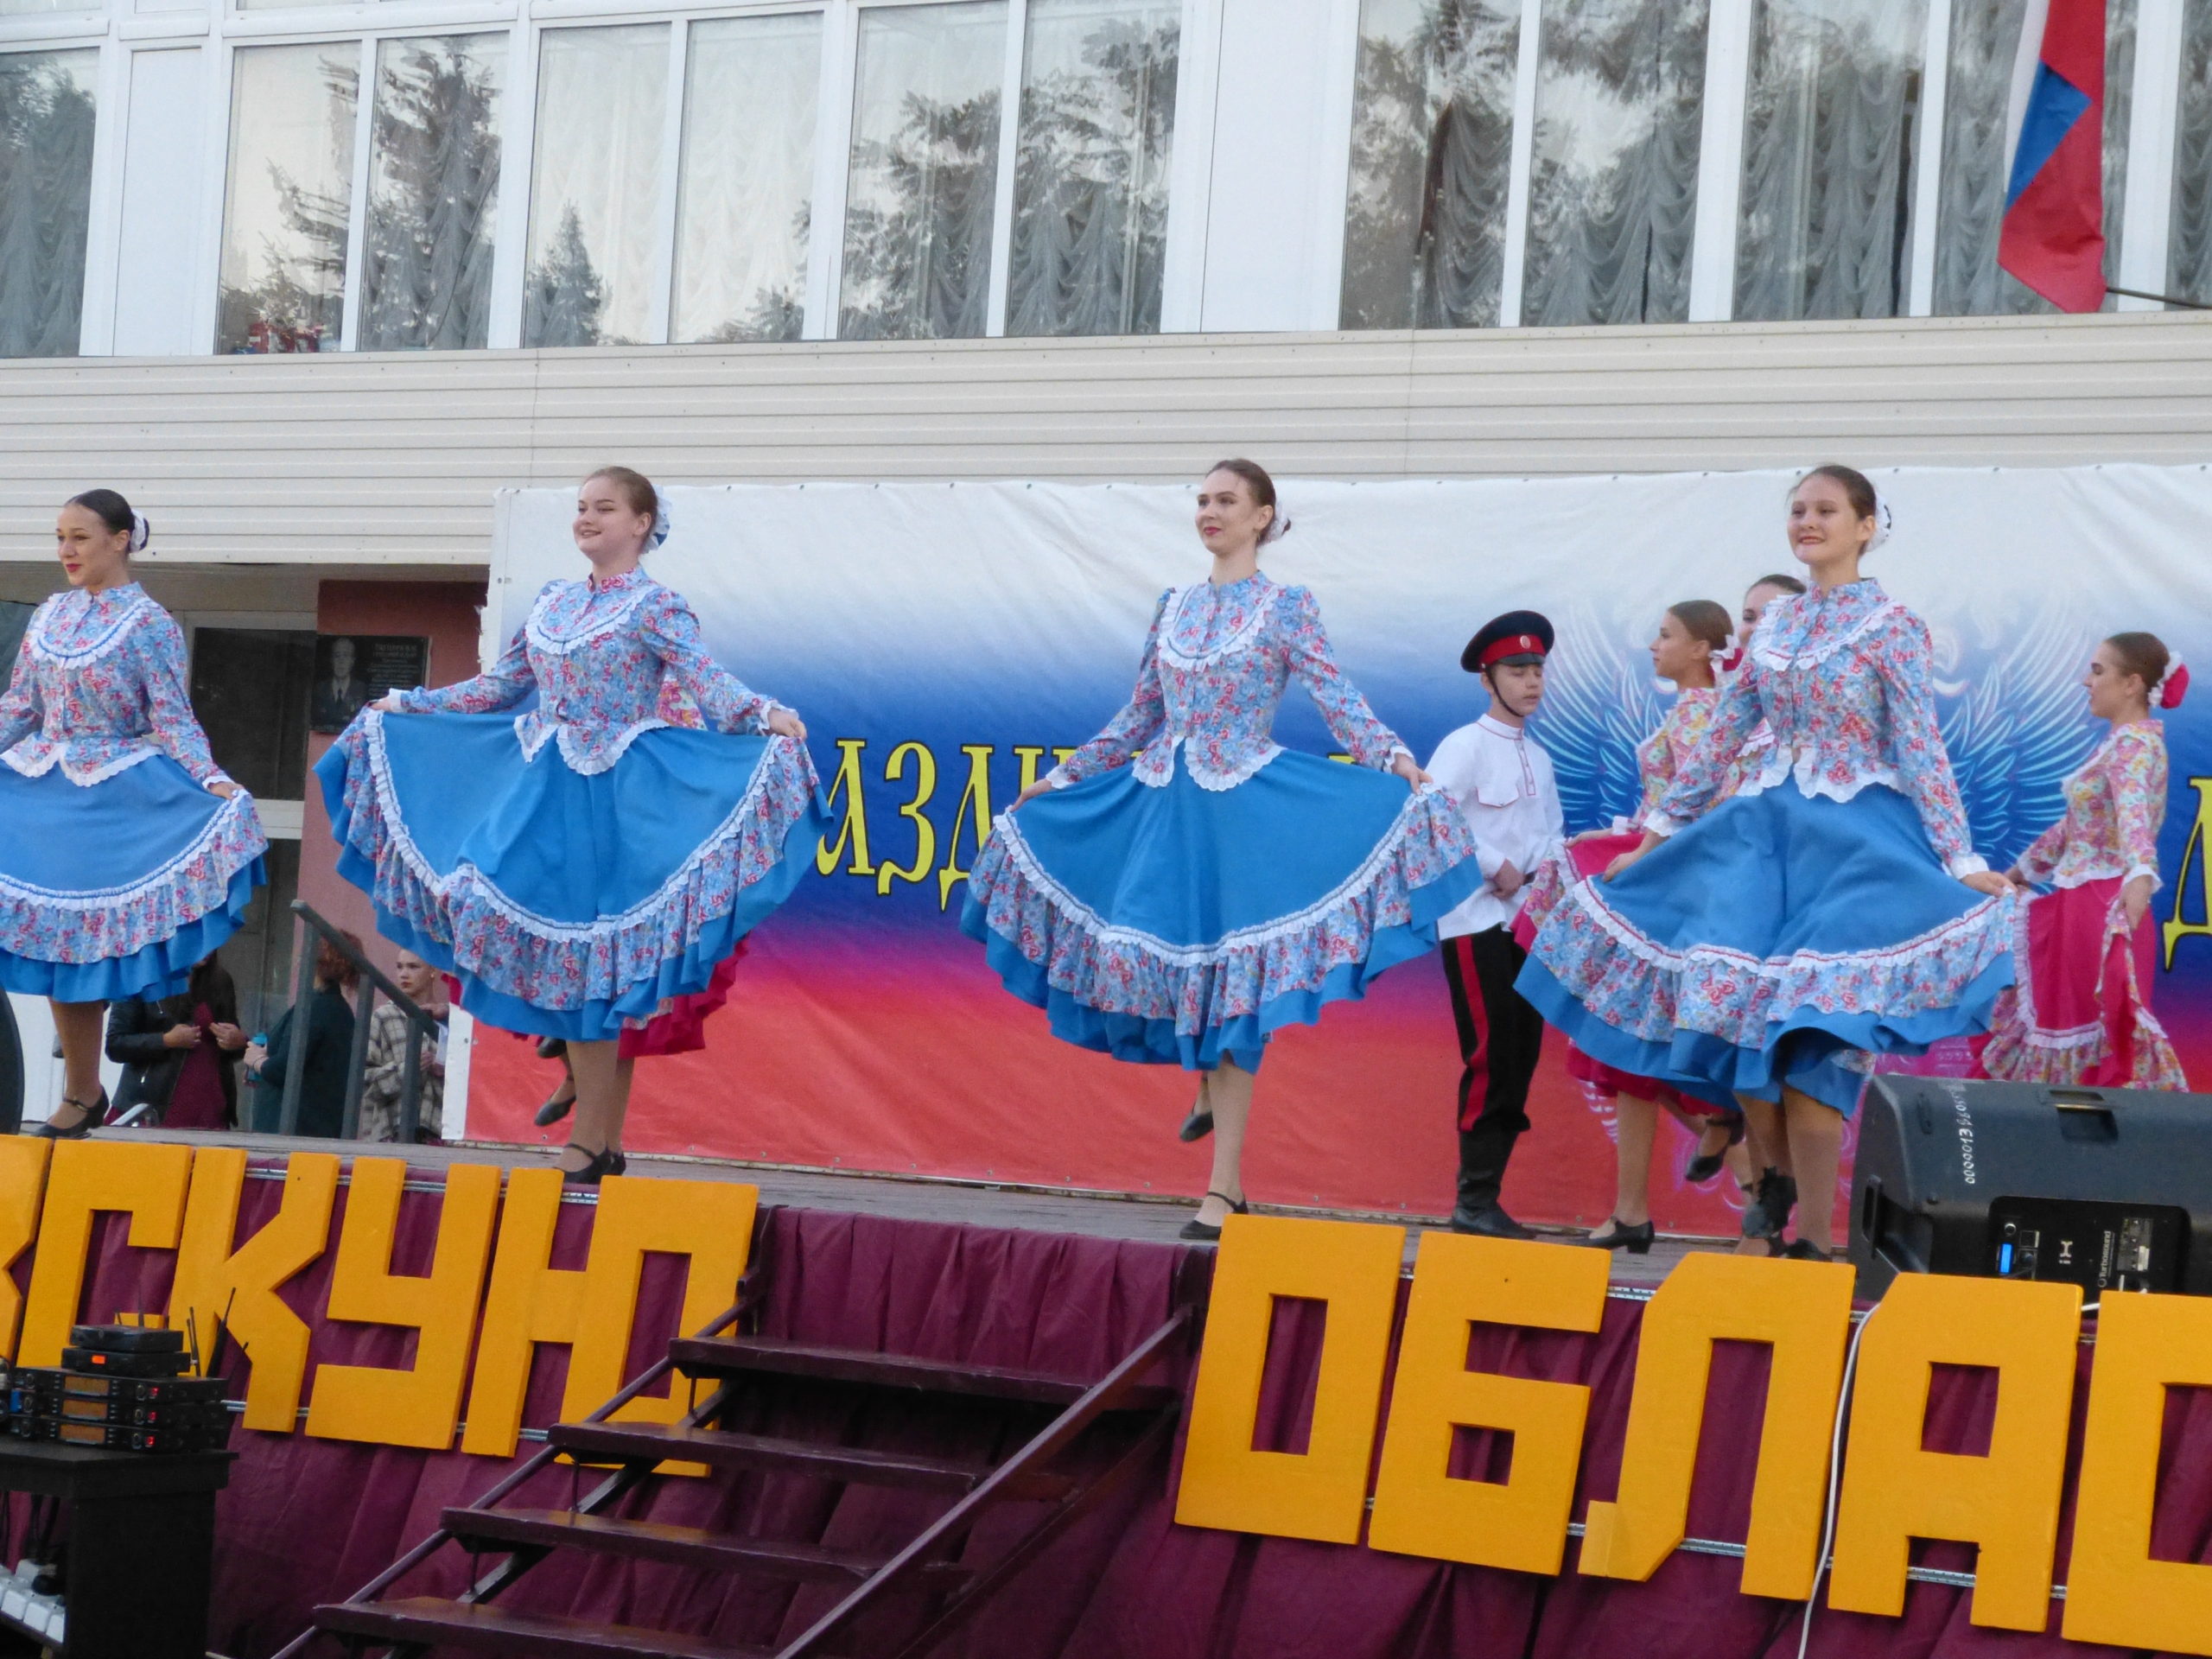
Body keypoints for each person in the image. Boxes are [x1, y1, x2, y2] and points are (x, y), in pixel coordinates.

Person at [962, 459, 1485, 1241]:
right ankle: (1207, 1087)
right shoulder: (1172, 605)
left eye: (1226, 501)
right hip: (1164, 811)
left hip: (1241, 813)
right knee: (1157, 967)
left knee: (1236, 998)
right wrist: (1065, 775)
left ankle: (1225, 1189)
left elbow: (1337, 697)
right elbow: (1141, 715)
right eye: (1203, 500)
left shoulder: (1286, 606)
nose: (1209, 511)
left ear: (1262, 516)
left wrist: (1392, 758)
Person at [1519, 465, 2015, 1261]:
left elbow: (1921, 746)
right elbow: (1724, 733)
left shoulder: (1892, 625)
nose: (1808, 521)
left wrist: (1960, 861)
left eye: (1827, 510)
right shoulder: (1777, 625)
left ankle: (1814, 1237)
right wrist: (1656, 835)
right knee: (1734, 1008)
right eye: (1798, 510)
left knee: (1814, 1036)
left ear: (1866, 527)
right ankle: (1771, 1185)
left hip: (1855, 844)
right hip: (1761, 837)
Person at [316, 466, 826, 1182]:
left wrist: (762, 713)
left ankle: (594, 1141)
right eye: (581, 507)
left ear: (641, 523)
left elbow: (705, 681)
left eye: (604, 508)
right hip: (540, 786)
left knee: (597, 969)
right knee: (483, 901)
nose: (586, 517)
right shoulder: (553, 601)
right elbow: (501, 686)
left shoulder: (655, 606)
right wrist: (412, 705)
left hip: (612, 795)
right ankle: (585, 1111)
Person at [0, 489, 268, 1139]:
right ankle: (84, 1091)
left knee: (76, 950)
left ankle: (82, 1092)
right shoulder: (50, 613)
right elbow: (21, 706)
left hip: (110, 793)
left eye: (80, 537)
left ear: (120, 540)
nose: (65, 550)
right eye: (60, 537)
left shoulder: (149, 623)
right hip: (43, 781)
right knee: (53, 942)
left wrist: (210, 777)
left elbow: (172, 717)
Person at [1516, 602, 1751, 1251]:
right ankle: (1644, 1206)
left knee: (1633, 1046)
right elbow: (1669, 809)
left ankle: (1744, 1184)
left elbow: (1696, 810)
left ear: (1701, 649)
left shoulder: (1703, 713)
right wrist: (1620, 836)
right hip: (1668, 878)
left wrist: (1638, 851)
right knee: (1629, 1053)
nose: (1654, 645)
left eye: (1666, 635)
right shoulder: (1699, 712)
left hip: (1673, 894)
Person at [1980, 633, 2188, 1090]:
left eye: (2097, 671)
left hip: (2101, 906)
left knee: (2094, 1033)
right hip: (2081, 905)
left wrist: (2139, 876)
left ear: (2132, 683)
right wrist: (2015, 876)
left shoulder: (2134, 745)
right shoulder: (2123, 743)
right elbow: (2072, 828)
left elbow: (2133, 816)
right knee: (2075, 1032)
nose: (2085, 681)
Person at [1423, 613, 1566, 1239]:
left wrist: (1544, 874)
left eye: (1537, 670)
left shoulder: (1539, 755)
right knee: (1491, 1052)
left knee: (1521, 1056)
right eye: (1517, 671)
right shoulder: (1465, 745)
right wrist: (1490, 864)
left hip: (1528, 923)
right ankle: (1472, 1200)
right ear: (1488, 679)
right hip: (1475, 918)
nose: (1531, 681)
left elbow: (1552, 835)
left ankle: (1486, 1200)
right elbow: (1429, 814)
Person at [104, 953, 249, 1128]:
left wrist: (239, 1042)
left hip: (210, 1108)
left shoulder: (220, 981)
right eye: (196, 940)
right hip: (153, 1109)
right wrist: (165, 1040)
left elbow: (230, 1047)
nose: (207, 950)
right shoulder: (141, 978)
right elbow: (115, 1045)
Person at [245, 935, 361, 1138]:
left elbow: (284, 1069)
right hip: (316, 1125)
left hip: (295, 1127)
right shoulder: (337, 1008)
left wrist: (256, 1060)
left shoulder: (315, 1007)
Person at [359, 948, 449, 1141]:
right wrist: (407, 1069)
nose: (404, 974)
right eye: (399, 967)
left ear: (432, 970)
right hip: (392, 1132)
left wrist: (445, 1068)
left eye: (413, 967)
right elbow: (364, 1080)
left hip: (440, 1133)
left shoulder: (448, 1020)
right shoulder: (384, 1017)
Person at [312, 636, 371, 730]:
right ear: (331, 660)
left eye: (346, 655)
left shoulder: (362, 689)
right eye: (337, 655)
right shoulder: (320, 689)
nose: (341, 661)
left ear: (352, 661)